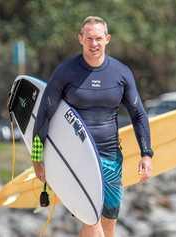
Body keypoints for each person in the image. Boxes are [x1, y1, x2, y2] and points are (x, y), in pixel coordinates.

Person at [31, 16, 154, 237]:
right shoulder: (66, 71)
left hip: (111, 156)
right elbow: (44, 114)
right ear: (81, 39)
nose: (94, 43)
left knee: (109, 222)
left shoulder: (121, 73)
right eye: (89, 38)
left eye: (98, 38)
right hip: (78, 156)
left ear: (107, 39)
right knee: (92, 219)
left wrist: (146, 154)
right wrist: (37, 156)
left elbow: (138, 114)